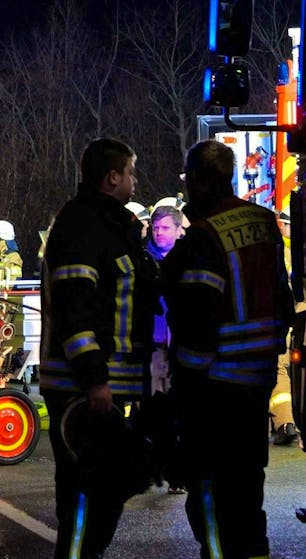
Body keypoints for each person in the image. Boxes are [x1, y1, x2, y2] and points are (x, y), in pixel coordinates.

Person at [162, 139, 294, 559]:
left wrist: (185, 386)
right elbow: (284, 300)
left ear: (201, 180)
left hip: (213, 387)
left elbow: (196, 316)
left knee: (208, 496)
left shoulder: (203, 235)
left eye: (189, 180)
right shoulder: (263, 222)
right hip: (257, 380)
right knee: (246, 491)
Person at [39, 137, 159, 559]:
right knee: (83, 502)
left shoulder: (110, 226)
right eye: (130, 172)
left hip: (108, 387)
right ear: (112, 177)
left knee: (107, 496)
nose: (134, 179)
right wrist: (95, 382)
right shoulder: (83, 227)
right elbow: (75, 310)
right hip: (84, 392)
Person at [143, 205, 186, 495]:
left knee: (182, 411)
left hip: (183, 345)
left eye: (165, 228)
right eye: (156, 228)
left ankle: (178, 471)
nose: (159, 233)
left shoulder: (188, 259)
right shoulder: (144, 260)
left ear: (179, 229)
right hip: (155, 347)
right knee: (157, 409)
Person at [271, 210, 301, 446]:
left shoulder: (280, 253)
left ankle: (285, 422)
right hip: (296, 319)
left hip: (287, 320)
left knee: (280, 370)